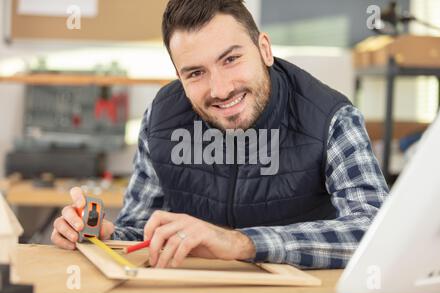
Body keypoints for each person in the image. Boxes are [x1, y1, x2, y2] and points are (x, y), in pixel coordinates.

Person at [52, 0, 388, 269]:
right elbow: (142, 227)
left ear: (264, 50)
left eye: (231, 59)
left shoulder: (331, 117)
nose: (220, 89)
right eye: (196, 73)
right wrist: (107, 234)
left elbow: (374, 230)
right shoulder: (161, 117)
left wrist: (240, 243)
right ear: (179, 77)